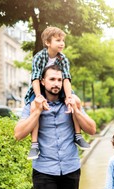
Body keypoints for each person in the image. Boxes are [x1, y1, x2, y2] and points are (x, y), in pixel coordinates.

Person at [14, 64, 96, 189]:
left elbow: (91, 129)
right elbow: (18, 134)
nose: (56, 84)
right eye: (52, 79)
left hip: (70, 166)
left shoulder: (71, 102)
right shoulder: (32, 105)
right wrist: (36, 113)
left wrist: (76, 110)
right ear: (42, 82)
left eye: (59, 80)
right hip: (44, 169)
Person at [25, 26, 90, 160]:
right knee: (34, 107)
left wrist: (69, 97)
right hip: (40, 88)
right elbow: (35, 78)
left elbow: (66, 79)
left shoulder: (63, 59)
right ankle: (34, 144)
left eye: (63, 41)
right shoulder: (39, 57)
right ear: (48, 43)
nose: (62, 43)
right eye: (58, 40)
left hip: (58, 87)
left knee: (75, 102)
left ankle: (78, 136)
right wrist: (38, 96)